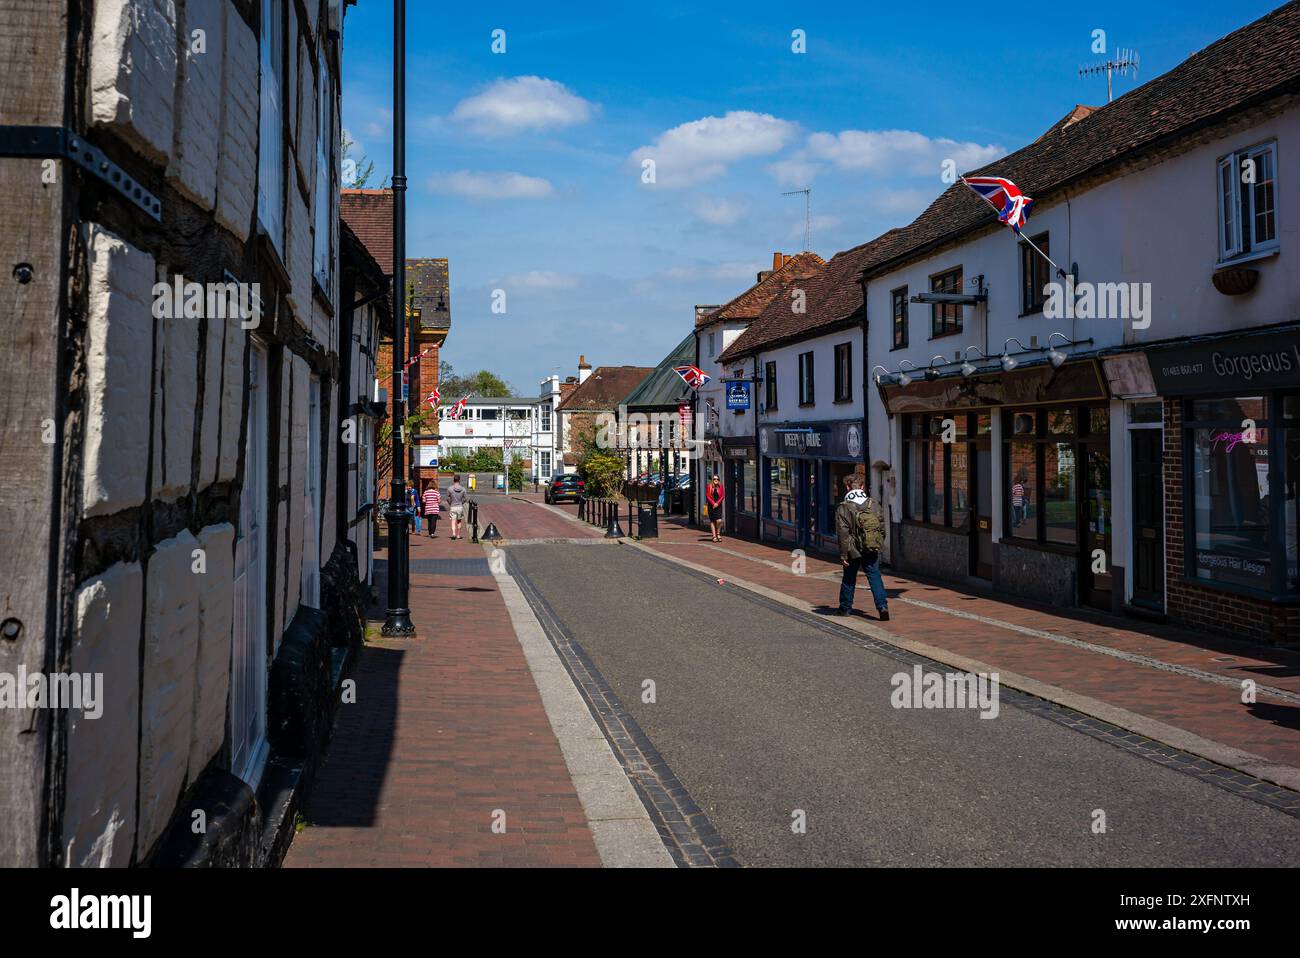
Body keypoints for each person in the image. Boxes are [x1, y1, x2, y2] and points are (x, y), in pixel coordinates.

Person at [833, 474, 889, 620]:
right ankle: (882, 607)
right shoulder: (874, 504)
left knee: (849, 577)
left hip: (852, 549)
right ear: (863, 487)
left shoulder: (843, 507)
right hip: (871, 547)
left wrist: (844, 555)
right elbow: (882, 529)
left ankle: (845, 608)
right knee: (875, 576)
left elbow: (843, 534)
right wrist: (876, 543)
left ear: (847, 487)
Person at [447, 474, 467, 540]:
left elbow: (448, 498)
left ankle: (453, 534)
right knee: (459, 521)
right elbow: (466, 498)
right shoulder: (463, 489)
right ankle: (458, 535)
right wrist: (462, 502)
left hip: (453, 506)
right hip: (460, 506)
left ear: (453, 480)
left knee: (453, 521)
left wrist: (450, 503)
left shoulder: (450, 488)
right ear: (459, 480)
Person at [705, 474, 725, 542]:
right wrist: (713, 503)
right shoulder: (709, 486)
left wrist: (717, 503)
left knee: (719, 520)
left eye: (717, 479)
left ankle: (718, 533)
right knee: (713, 521)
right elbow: (707, 496)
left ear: (719, 480)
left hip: (718, 506)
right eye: (714, 479)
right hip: (711, 506)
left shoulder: (721, 486)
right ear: (712, 480)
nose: (716, 480)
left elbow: (722, 496)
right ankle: (714, 536)